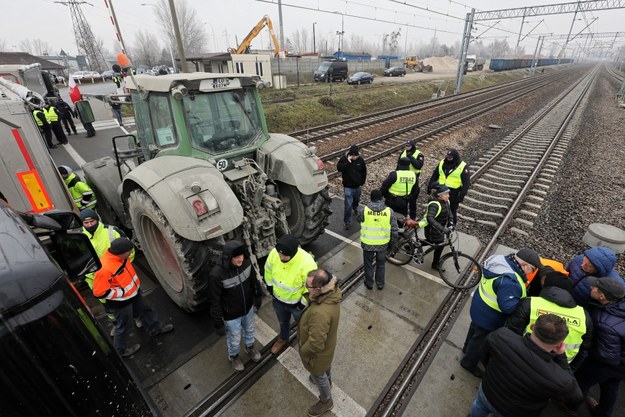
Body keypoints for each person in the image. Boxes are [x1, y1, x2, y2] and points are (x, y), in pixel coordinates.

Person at [468, 314, 583, 417]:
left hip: (488, 392)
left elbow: (484, 355)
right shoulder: (561, 379)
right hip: (515, 412)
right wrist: (561, 357)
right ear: (559, 345)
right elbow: (576, 398)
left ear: (532, 326)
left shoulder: (501, 335)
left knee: (478, 408)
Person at [461, 248, 542, 377]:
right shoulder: (510, 281)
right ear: (524, 265)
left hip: (480, 305)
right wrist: (523, 304)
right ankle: (468, 363)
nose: (531, 273)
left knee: (474, 330)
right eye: (532, 270)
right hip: (490, 316)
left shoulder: (498, 260)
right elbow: (508, 307)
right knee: (480, 340)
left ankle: (466, 349)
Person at [92, 237, 174, 357]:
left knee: (146, 310)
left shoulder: (121, 258)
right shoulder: (104, 269)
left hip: (134, 294)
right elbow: (99, 292)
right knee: (124, 326)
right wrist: (122, 294)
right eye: (129, 251)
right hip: (121, 303)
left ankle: (155, 329)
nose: (131, 253)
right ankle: (121, 351)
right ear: (121, 253)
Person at [506, 268, 592, 366]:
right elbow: (584, 350)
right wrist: (568, 370)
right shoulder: (584, 315)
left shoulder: (531, 303)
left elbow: (512, 330)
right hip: (558, 367)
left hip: (523, 357)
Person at [80, 208, 142, 335]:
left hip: (119, 276)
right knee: (109, 306)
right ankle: (117, 324)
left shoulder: (112, 231)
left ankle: (137, 317)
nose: (90, 225)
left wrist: (121, 268)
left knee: (131, 298)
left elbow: (129, 250)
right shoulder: (79, 238)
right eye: (86, 223)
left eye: (92, 221)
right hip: (98, 280)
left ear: (97, 220)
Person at [574, 276, 625, 417]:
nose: (591, 288)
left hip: (607, 364)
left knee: (581, 381)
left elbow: (607, 356)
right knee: (611, 387)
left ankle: (571, 406)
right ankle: (603, 413)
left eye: (594, 287)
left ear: (602, 296)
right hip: (621, 365)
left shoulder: (604, 322)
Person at [208, 240, 263, 372]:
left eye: (241, 256)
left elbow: (254, 281)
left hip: (247, 309)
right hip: (231, 315)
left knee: (250, 330)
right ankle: (233, 356)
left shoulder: (246, 263)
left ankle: (249, 347)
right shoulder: (216, 275)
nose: (240, 259)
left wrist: (258, 295)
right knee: (234, 337)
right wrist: (218, 322)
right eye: (237, 257)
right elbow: (214, 300)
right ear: (228, 258)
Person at [264, 234, 318, 355]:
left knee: (304, 326)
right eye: (279, 253)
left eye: (284, 255)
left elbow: (313, 288)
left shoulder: (307, 263)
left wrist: (302, 304)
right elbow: (267, 269)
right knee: (283, 322)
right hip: (278, 301)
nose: (281, 257)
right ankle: (283, 339)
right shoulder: (275, 253)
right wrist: (270, 286)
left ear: (293, 253)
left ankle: (305, 344)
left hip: (297, 306)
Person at [299, 269, 342, 417]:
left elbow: (316, 343)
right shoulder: (331, 294)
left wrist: (303, 351)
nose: (305, 287)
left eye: (308, 285)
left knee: (318, 374)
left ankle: (326, 401)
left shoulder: (320, 312)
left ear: (318, 289)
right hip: (327, 348)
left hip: (317, 354)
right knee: (325, 366)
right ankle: (327, 380)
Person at [357, 189, 398, 290]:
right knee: (381, 265)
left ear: (371, 198)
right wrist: (392, 244)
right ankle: (380, 284)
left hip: (367, 244)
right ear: (381, 198)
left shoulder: (364, 210)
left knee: (368, 264)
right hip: (382, 244)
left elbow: (358, 219)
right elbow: (395, 230)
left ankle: (369, 283)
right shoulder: (389, 211)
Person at [427, 148, 470, 227]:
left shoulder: (462, 166)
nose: (448, 159)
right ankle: (438, 225)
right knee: (438, 208)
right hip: (440, 191)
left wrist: (461, 196)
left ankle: (451, 226)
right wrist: (429, 186)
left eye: (451, 157)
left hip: (453, 192)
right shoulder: (442, 163)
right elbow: (435, 175)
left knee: (452, 210)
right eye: (448, 157)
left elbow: (466, 183)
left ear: (455, 157)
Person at [414, 184, 451, 270]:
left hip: (438, 228)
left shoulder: (446, 201)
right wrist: (442, 229)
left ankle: (411, 246)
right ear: (440, 195)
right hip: (432, 228)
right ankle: (435, 264)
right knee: (439, 244)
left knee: (432, 242)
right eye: (447, 194)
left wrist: (451, 222)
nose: (449, 196)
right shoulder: (434, 204)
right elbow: (430, 218)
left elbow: (450, 212)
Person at [336, 144, 366, 230]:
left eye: (356, 156)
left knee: (356, 200)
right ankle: (347, 222)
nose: (354, 158)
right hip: (348, 187)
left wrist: (362, 182)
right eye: (353, 156)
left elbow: (364, 172)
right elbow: (339, 168)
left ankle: (355, 207)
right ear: (350, 155)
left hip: (357, 186)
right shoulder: (344, 159)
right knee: (348, 205)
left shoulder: (361, 160)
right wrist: (348, 163)